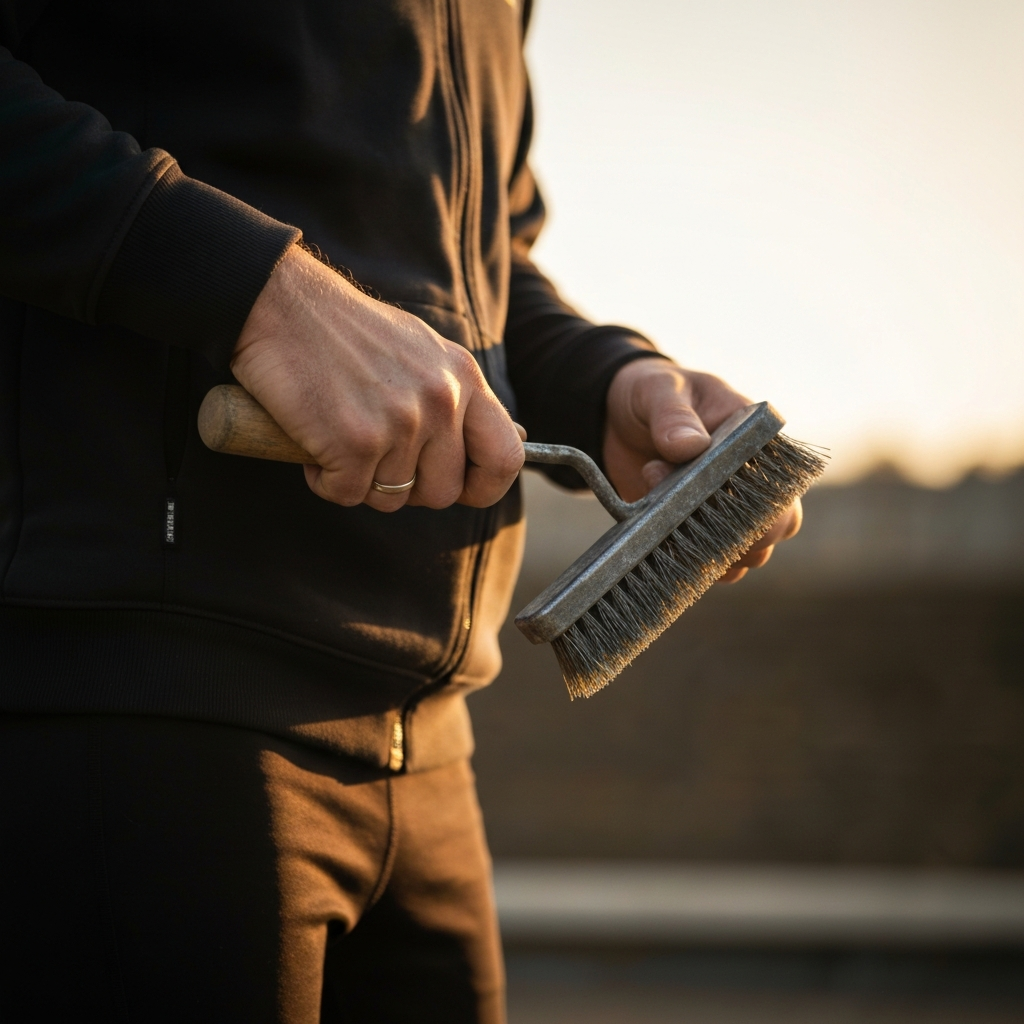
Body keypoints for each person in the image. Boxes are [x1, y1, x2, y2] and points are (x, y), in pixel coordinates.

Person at [0, 1, 801, 1021]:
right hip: (143, 715)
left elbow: (474, 277)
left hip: (429, 752)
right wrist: (263, 295)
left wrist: (605, 382)